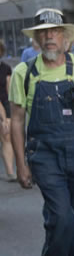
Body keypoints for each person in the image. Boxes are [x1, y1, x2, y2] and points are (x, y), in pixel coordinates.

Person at [9, 8, 74, 256]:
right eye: (43, 32)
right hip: (44, 153)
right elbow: (17, 120)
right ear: (36, 38)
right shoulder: (24, 72)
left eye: (54, 31)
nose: (49, 37)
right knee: (62, 217)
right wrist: (21, 165)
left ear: (64, 36)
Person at [0, 40, 16, 181]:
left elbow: (9, 90)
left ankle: (10, 172)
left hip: (4, 103)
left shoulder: (5, 68)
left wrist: (8, 114)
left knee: (7, 135)